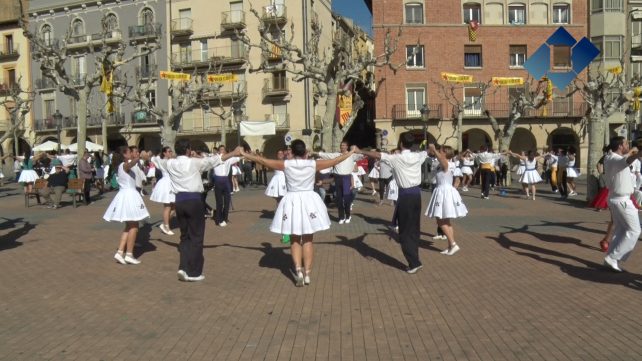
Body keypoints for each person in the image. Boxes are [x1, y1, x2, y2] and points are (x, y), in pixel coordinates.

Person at [241, 139, 356, 286]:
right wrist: (351, 152)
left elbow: (262, 160)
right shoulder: (313, 164)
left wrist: (245, 153)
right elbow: (336, 160)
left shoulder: (285, 164)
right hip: (309, 199)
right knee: (308, 239)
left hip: (292, 200)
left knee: (295, 239)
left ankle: (298, 270)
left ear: (292, 152)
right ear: (305, 152)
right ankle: (307, 274)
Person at [150, 140, 241, 282]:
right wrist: (234, 153)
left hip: (179, 201)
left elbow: (156, 160)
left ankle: (183, 267)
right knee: (196, 237)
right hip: (194, 200)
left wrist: (148, 156)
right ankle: (194, 272)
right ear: (188, 150)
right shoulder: (194, 162)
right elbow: (216, 159)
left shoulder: (170, 163)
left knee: (185, 236)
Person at [357, 134, 428, 274]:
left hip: (406, 196)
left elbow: (377, 154)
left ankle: (414, 263)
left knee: (405, 231)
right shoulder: (418, 156)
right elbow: (427, 151)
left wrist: (360, 151)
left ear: (401, 144)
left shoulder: (396, 158)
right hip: (416, 196)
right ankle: (415, 259)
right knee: (413, 228)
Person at [103, 146, 150, 265]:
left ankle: (119, 252)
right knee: (134, 226)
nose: (132, 154)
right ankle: (129, 254)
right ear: (124, 154)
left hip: (126, 195)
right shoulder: (124, 165)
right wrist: (138, 157)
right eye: (130, 152)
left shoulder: (122, 165)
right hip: (129, 196)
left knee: (129, 226)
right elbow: (130, 165)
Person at [602, 136, 642, 272]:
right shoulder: (615, 159)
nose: (627, 145)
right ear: (620, 146)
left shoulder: (610, 158)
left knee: (621, 230)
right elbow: (628, 159)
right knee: (635, 230)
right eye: (625, 143)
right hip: (622, 200)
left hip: (617, 198)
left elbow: (626, 157)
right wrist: (638, 152)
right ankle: (613, 257)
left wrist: (634, 152)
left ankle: (610, 258)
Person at [424, 144, 468, 255]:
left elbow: (444, 163)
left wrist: (434, 149)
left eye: (441, 150)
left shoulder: (448, 163)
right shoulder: (443, 163)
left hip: (444, 191)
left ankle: (453, 244)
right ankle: (450, 246)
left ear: (445, 153)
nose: (438, 151)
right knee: (446, 220)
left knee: (440, 219)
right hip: (442, 190)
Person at [317, 141, 364, 224]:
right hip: (337, 178)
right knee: (338, 199)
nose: (342, 147)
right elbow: (326, 155)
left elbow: (362, 156)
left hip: (346, 178)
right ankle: (341, 217)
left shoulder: (352, 155)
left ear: (347, 146)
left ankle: (348, 216)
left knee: (346, 199)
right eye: (341, 145)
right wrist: (315, 152)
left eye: (344, 145)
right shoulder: (336, 155)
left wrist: (357, 149)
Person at [150, 146, 176, 235]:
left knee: (174, 207)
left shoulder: (167, 161)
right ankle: (166, 226)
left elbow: (154, 158)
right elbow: (153, 158)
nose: (171, 153)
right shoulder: (163, 161)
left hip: (172, 183)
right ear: (164, 153)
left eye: (171, 151)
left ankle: (164, 224)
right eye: (169, 151)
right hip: (166, 183)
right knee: (167, 206)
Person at [212, 145, 240, 227]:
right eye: (220, 149)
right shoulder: (215, 158)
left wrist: (247, 155)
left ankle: (225, 218)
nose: (222, 151)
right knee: (219, 202)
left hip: (226, 181)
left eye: (223, 149)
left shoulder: (229, 159)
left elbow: (238, 158)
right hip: (218, 180)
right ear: (218, 151)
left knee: (227, 201)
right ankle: (219, 219)